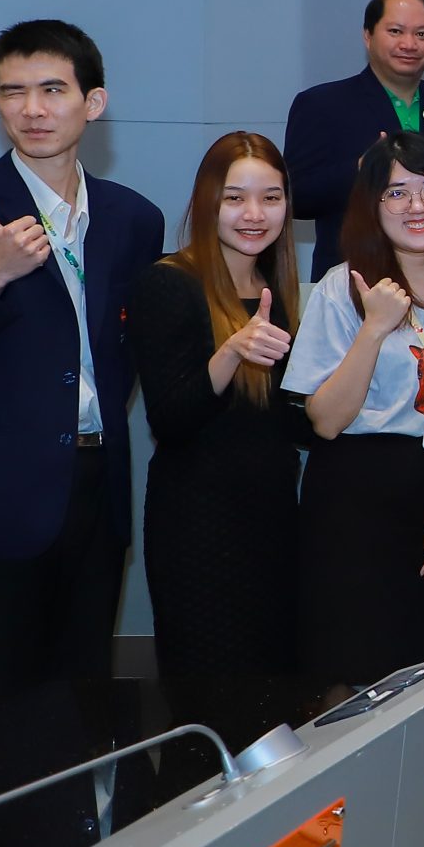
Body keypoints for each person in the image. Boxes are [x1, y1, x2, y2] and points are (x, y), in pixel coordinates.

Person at [0, 21, 164, 712]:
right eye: (12, 92)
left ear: (93, 102)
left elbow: (126, 349)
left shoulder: (133, 218)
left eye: (52, 89)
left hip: (97, 488)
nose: (32, 109)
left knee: (83, 704)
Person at [281, 133, 424, 689]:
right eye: (396, 193)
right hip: (357, 501)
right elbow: (325, 420)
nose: (416, 205)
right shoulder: (341, 287)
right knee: (357, 673)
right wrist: (373, 329)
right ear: (371, 206)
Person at [128, 132, 306, 680]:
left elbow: (292, 424)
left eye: (271, 198)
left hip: (275, 522)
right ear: (208, 202)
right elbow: (170, 421)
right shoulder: (169, 282)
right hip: (199, 529)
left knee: (277, 697)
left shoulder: (278, 288)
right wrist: (231, 352)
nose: (254, 214)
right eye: (235, 198)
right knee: (209, 700)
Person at [284, 0, 424, 276]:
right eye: (395, 31)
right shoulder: (322, 105)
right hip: (355, 278)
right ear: (368, 35)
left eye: (422, 34)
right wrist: (360, 168)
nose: (409, 44)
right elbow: (295, 197)